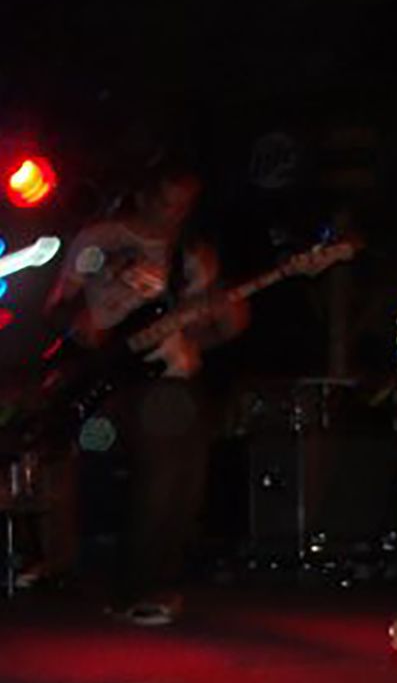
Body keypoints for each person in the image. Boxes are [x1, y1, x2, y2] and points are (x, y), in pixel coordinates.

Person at [44, 159, 247, 625]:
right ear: (144, 193)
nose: (172, 215)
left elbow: (217, 331)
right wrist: (80, 328)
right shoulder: (100, 240)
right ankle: (142, 585)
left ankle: (144, 584)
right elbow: (55, 308)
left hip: (173, 371)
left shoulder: (191, 254)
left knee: (184, 483)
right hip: (119, 374)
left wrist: (226, 314)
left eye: (183, 207)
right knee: (159, 476)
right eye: (165, 203)